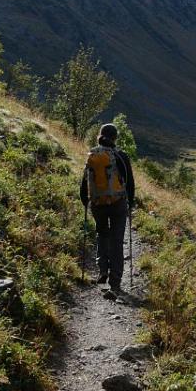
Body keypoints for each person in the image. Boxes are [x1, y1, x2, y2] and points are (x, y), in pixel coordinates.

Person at [80, 123, 135, 293]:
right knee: (117, 241)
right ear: (115, 137)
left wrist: (87, 202)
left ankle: (103, 269)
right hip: (118, 203)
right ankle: (115, 282)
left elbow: (84, 183)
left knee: (102, 234)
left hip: (98, 203)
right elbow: (129, 183)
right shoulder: (120, 156)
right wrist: (130, 203)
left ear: (100, 136)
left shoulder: (93, 155)